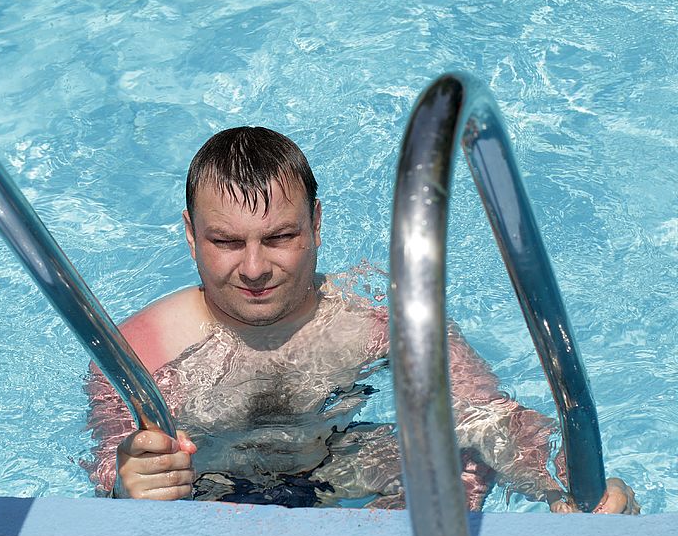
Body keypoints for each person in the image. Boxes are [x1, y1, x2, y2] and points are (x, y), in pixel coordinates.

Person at [84, 126, 639, 514]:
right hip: (211, 496)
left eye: (280, 237)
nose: (254, 268)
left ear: (317, 224)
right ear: (189, 233)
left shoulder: (374, 320)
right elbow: (111, 474)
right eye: (226, 242)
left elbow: (488, 417)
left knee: (456, 461)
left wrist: (577, 483)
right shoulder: (139, 350)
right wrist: (128, 487)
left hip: (338, 466)